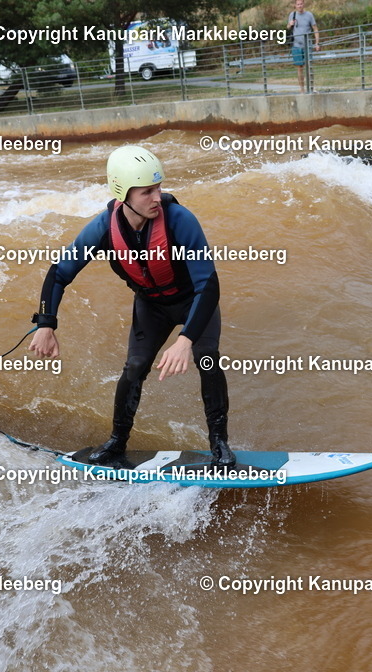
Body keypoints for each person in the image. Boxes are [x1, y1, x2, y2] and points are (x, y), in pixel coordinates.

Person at [28, 145, 235, 468]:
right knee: (135, 367)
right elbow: (59, 273)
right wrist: (46, 324)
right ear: (123, 194)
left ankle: (219, 444)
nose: (157, 197)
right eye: (147, 191)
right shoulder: (103, 228)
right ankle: (116, 441)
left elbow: (208, 284)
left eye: (159, 188)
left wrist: (185, 340)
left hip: (193, 301)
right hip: (151, 306)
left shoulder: (180, 220)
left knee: (206, 358)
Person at [287, 0, 320, 93]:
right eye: (298, 4)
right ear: (295, 5)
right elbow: (288, 27)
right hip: (296, 45)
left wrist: (317, 43)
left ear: (303, 4)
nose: (300, 6)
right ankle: (302, 89)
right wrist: (290, 24)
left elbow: (315, 29)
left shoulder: (309, 15)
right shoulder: (292, 15)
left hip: (307, 45)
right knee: (299, 68)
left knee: (309, 67)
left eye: (301, 4)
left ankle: (312, 87)